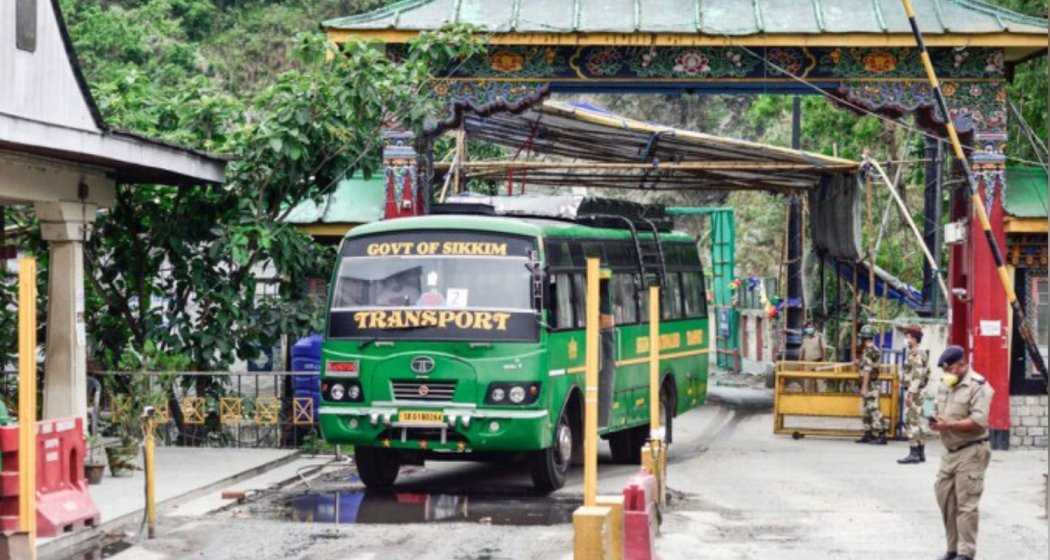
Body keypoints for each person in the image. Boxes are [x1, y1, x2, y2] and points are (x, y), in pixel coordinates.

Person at [930, 345, 993, 560]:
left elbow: (978, 421)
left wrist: (948, 425)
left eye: (950, 369)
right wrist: (936, 422)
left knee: (966, 505)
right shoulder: (946, 385)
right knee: (945, 499)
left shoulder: (978, 386)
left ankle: (966, 553)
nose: (947, 374)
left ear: (961, 364)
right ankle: (952, 549)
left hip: (972, 451)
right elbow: (940, 413)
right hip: (949, 452)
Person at [897, 324, 930, 464]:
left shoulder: (916, 354)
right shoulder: (919, 353)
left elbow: (917, 375)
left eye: (908, 336)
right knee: (918, 422)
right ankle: (921, 452)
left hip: (914, 392)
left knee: (911, 422)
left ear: (914, 339)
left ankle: (914, 452)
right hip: (919, 391)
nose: (906, 339)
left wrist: (910, 394)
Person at [854, 325, 887, 444]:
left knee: (873, 409)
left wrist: (864, 387)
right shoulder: (873, 349)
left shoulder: (869, 351)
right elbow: (867, 366)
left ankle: (881, 434)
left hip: (870, 384)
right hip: (871, 383)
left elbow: (867, 370)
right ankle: (868, 434)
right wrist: (858, 363)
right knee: (867, 410)